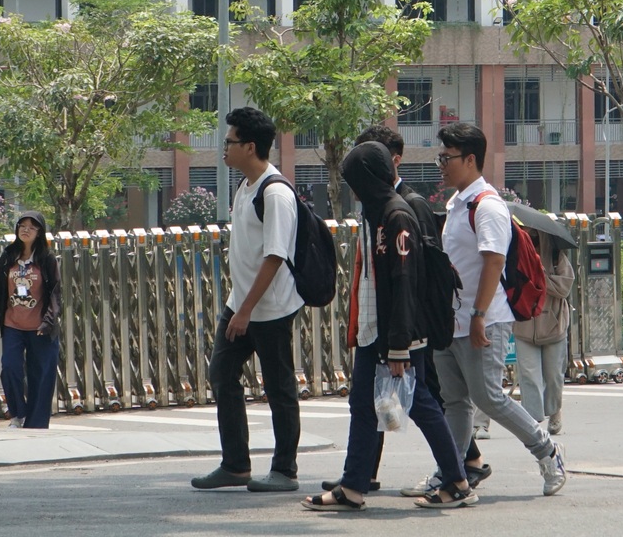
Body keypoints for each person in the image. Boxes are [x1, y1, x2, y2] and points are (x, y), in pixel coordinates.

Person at [304, 142, 474, 512]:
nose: (352, 189)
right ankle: (353, 486)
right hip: (375, 328)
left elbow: (405, 282)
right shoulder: (376, 213)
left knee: (422, 404)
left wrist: (399, 345)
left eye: (355, 180)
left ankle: (458, 480)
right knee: (363, 404)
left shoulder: (397, 216)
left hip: (398, 332)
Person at [430, 121, 567, 497]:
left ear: (470, 159)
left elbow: (493, 263)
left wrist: (477, 316)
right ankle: (450, 473)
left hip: (482, 321)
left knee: (489, 397)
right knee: (454, 401)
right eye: (439, 157)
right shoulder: (457, 203)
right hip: (452, 321)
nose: (441, 164)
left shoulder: (487, 205)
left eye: (447, 157)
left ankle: (547, 450)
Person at [191, 107, 303, 493]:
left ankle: (284, 470)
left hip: (268, 309)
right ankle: (235, 464)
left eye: (230, 142)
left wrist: (247, 310)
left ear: (250, 146)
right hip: (241, 305)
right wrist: (238, 307)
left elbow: (275, 256)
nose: (224, 148)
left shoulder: (275, 193)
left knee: (279, 388)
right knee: (222, 375)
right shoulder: (245, 187)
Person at [0, 212, 62, 427]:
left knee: (41, 375)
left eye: (32, 227)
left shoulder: (46, 259)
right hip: (13, 325)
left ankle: (36, 423)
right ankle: (17, 413)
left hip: (40, 327)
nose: (25, 229)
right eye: (22, 225)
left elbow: (55, 294)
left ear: (39, 233)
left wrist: (48, 321)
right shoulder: (8, 257)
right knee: (9, 368)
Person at [513, 231, 575, 436]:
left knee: (554, 375)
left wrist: (541, 278)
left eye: (536, 239)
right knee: (528, 375)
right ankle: (532, 420)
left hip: (553, 324)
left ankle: (555, 411)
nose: (532, 242)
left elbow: (564, 288)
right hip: (525, 325)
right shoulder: (517, 257)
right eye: (528, 238)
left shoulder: (558, 258)